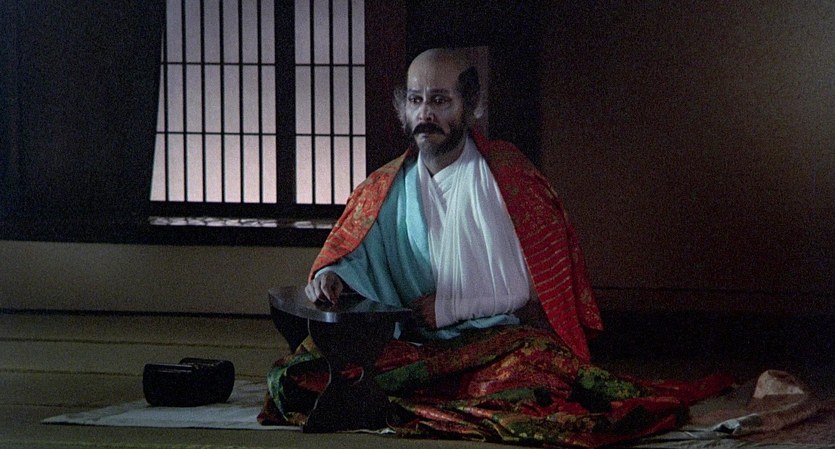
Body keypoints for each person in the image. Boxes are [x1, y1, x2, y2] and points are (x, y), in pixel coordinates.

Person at [260, 48, 733, 447]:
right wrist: (333, 276)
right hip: (413, 343)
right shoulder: (387, 186)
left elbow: (532, 284)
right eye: (416, 100)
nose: (425, 115)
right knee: (299, 373)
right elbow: (355, 250)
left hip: (495, 341)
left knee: (533, 380)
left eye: (440, 100)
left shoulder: (508, 178)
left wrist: (453, 306)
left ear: (471, 106)